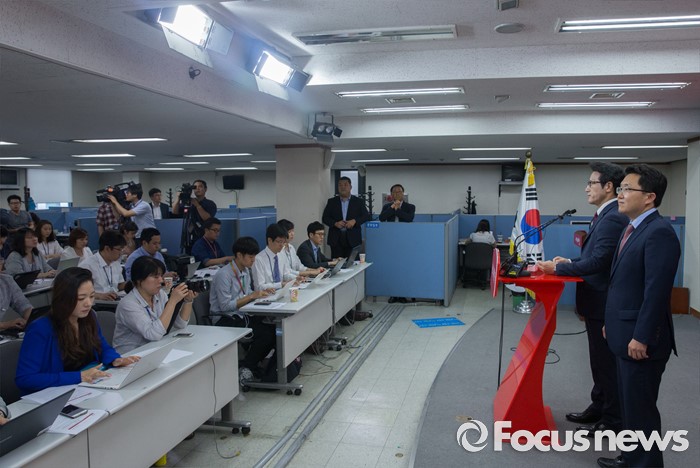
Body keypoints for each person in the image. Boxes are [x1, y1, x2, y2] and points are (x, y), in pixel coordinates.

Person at [596, 165, 681, 468]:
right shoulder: (631, 228)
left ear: (649, 197)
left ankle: (645, 464)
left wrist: (641, 336)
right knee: (631, 408)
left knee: (641, 411)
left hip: (642, 341)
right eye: (620, 189)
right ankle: (631, 458)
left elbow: (655, 292)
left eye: (627, 189)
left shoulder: (659, 232)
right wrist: (611, 322)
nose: (620, 194)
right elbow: (622, 284)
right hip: (624, 332)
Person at [537, 162, 628, 438]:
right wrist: (570, 261)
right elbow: (594, 257)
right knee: (598, 362)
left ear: (608, 187)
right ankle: (599, 407)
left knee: (606, 364)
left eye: (591, 183)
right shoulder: (604, 215)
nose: (587, 188)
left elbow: (600, 262)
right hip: (595, 301)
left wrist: (559, 269)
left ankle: (612, 421)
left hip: (603, 303)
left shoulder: (612, 217)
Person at [15, 267, 140, 394]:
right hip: (56, 394)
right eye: (81, 299)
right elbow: (25, 379)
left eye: (92, 296)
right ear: (63, 298)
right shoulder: (40, 329)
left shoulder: (89, 317)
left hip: (88, 388)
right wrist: (79, 376)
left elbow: (102, 346)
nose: (88, 303)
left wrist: (115, 359)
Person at [209, 237, 275, 384]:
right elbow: (225, 306)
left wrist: (261, 294)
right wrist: (251, 296)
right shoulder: (224, 275)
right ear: (239, 255)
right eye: (250, 257)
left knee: (273, 329)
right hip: (225, 319)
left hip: (241, 315)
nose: (253, 260)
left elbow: (247, 292)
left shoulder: (245, 271)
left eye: (254, 256)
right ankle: (247, 367)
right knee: (266, 334)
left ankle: (250, 364)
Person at [113, 257, 194, 354]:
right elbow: (153, 334)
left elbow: (180, 325)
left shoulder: (160, 294)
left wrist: (188, 301)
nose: (161, 280)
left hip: (154, 349)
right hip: (131, 355)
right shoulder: (128, 304)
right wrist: (172, 301)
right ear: (139, 280)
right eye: (155, 277)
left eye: (161, 276)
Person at [322, 177, 370, 258]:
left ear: (350, 187)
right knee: (337, 263)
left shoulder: (358, 201)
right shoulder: (332, 201)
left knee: (352, 263)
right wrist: (335, 223)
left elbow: (366, 216)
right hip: (336, 239)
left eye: (345, 185)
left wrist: (354, 221)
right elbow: (325, 218)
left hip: (353, 239)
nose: (343, 187)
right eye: (340, 185)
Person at [78, 230, 127, 301]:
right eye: (119, 249)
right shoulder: (87, 266)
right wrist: (99, 296)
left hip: (114, 300)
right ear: (107, 248)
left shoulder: (116, 263)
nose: (121, 253)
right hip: (97, 303)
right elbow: (80, 292)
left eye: (122, 249)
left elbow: (120, 285)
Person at [171, 179, 217, 252]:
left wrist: (197, 205)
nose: (197, 189)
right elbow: (174, 211)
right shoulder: (189, 202)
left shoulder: (210, 204)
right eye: (195, 187)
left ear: (205, 189)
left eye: (200, 186)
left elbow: (208, 219)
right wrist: (178, 198)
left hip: (203, 236)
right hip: (188, 237)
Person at [252, 223, 299, 291]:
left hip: (281, 292)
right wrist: (280, 285)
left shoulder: (281, 254)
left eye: (283, 242)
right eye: (279, 242)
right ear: (269, 240)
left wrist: (296, 278)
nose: (282, 245)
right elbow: (259, 287)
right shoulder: (258, 259)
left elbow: (285, 274)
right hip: (267, 295)